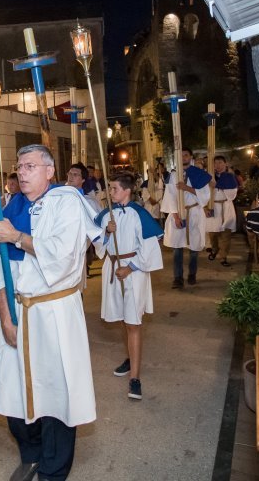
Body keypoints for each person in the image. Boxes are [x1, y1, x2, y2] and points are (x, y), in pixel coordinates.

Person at [0, 144, 99, 481]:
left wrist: (18, 237)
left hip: (54, 313)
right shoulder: (12, 206)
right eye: (19, 166)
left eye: (31, 166)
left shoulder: (67, 202)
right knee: (11, 392)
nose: (22, 172)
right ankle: (31, 454)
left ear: (50, 171)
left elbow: (64, 256)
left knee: (57, 396)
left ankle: (53, 470)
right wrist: (5, 316)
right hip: (16, 312)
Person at [93, 171, 163, 400]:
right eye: (110, 188)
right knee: (124, 319)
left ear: (127, 190)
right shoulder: (107, 215)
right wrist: (106, 232)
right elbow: (97, 244)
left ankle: (135, 378)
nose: (110, 192)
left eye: (113, 188)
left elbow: (150, 249)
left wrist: (130, 267)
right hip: (112, 269)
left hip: (133, 272)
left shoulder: (138, 214)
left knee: (133, 322)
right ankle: (131, 357)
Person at [161, 147, 212, 288]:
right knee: (177, 248)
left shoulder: (199, 174)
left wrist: (186, 188)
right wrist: (176, 217)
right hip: (178, 212)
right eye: (181, 155)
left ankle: (192, 275)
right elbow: (170, 197)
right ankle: (178, 278)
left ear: (190, 157)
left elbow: (205, 195)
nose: (183, 157)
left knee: (194, 248)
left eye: (186, 155)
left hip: (194, 212)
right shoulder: (173, 175)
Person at [66, 162, 101, 280]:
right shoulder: (57, 197)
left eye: (75, 174)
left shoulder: (89, 202)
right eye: (70, 173)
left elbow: (97, 227)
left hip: (77, 252)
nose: (71, 176)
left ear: (83, 180)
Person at [206, 155, 238, 267]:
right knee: (213, 233)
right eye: (215, 163)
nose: (218, 165)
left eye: (220, 162)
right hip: (213, 206)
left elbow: (233, 193)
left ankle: (223, 257)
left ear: (225, 164)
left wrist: (218, 185)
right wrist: (206, 207)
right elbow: (204, 193)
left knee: (226, 234)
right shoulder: (210, 177)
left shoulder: (230, 177)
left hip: (226, 206)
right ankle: (214, 249)